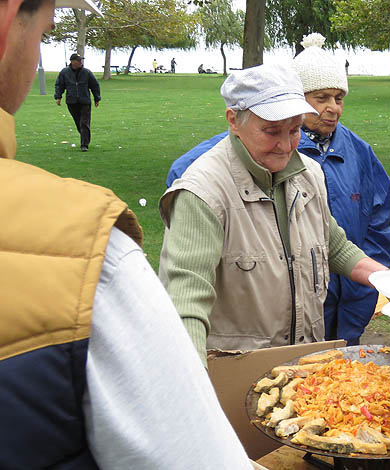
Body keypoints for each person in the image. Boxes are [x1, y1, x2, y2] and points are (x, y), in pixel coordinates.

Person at [0, 0, 254, 468]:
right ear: (8, 20)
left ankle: (84, 136)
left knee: (85, 124)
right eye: (43, 32)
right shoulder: (85, 248)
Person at [163, 34, 390, 347]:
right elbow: (186, 300)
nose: (285, 146)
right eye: (271, 131)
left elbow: (334, 245)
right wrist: (192, 380)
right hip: (237, 366)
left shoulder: (308, 172)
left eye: (295, 130)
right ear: (234, 120)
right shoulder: (202, 192)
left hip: (305, 360)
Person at [292, 33, 390, 345]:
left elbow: (379, 220)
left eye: (339, 98)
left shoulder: (358, 151)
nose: (333, 108)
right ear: (295, 98)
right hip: (300, 299)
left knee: (345, 376)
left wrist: (370, 282)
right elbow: (189, 169)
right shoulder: (277, 149)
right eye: (321, 98)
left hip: (352, 294)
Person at [54, 52, 100, 152]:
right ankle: (84, 136)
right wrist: (58, 97)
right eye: (78, 60)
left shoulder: (87, 72)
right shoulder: (64, 72)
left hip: (85, 101)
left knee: (84, 122)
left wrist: (97, 98)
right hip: (71, 101)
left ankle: (84, 145)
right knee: (78, 122)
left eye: (81, 60)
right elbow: (59, 85)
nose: (80, 62)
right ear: (73, 62)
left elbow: (94, 85)